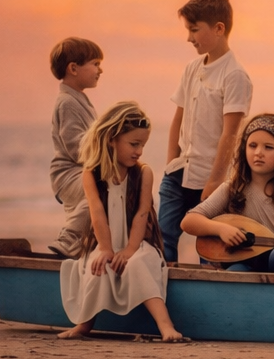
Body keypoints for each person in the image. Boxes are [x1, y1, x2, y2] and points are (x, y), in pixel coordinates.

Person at [58, 101, 183, 342]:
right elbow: (97, 213)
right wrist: (105, 249)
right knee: (97, 266)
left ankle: (165, 324)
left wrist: (129, 250)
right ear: (111, 139)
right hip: (107, 242)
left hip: (139, 244)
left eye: (142, 145)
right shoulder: (91, 174)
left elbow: (141, 214)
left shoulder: (143, 173)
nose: (139, 151)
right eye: (134, 144)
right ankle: (84, 325)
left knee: (136, 264)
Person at [158, 0, 253, 264]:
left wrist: (214, 183)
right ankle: (159, 294)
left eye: (194, 30)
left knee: (210, 250)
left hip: (210, 178)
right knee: (162, 240)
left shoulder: (235, 75)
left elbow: (231, 134)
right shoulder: (191, 68)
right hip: (178, 173)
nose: (189, 38)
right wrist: (169, 164)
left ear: (219, 28)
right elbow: (178, 118)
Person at [181, 113, 274, 274]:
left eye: (268, 147)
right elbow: (189, 221)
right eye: (253, 145)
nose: (259, 152)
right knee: (235, 272)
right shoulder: (232, 188)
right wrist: (221, 229)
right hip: (246, 264)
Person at [48, 37, 103, 258]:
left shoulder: (81, 99)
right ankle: (69, 238)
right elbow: (76, 146)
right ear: (73, 68)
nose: (101, 70)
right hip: (68, 173)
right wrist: (106, 152)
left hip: (81, 171)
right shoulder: (67, 103)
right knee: (101, 185)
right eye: (96, 64)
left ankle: (87, 252)